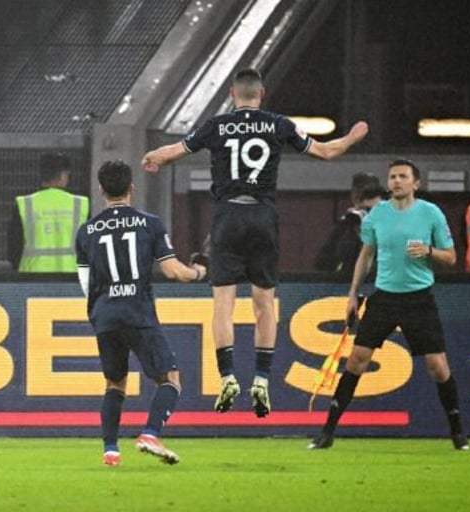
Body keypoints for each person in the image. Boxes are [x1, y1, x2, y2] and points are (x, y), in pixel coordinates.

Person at [142, 68, 368, 417]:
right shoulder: (278, 124)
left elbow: (177, 150)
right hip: (263, 216)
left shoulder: (216, 126)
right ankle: (262, 379)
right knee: (264, 303)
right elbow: (325, 152)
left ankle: (227, 375)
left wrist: (154, 156)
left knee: (223, 304)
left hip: (228, 216)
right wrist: (352, 137)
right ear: (261, 94)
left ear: (233, 93)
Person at [309, 159, 470, 451]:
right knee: (357, 360)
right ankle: (327, 432)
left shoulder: (430, 213)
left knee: (437, 366)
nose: (396, 181)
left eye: (402, 176)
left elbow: (451, 257)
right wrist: (353, 295)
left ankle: (458, 434)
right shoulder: (376, 216)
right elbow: (365, 256)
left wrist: (429, 251)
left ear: (415, 183)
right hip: (384, 297)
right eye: (393, 177)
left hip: (419, 298)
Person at [75, 160, 207, 466]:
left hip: (105, 315)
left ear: (101, 189)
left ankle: (110, 450)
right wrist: (199, 272)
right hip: (138, 313)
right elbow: (173, 271)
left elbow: (86, 283)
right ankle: (150, 433)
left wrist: (100, 310)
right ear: (131, 187)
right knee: (170, 378)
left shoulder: (87, 231)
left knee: (114, 383)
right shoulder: (150, 223)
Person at [8, 152, 89, 272]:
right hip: (72, 278)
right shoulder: (81, 204)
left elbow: (13, 248)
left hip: (32, 278)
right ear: (63, 175)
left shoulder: (24, 204)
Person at [314, 172, 385, 276]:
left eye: (370, 209)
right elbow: (322, 263)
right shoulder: (347, 226)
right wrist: (352, 229)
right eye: (363, 208)